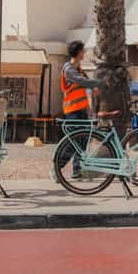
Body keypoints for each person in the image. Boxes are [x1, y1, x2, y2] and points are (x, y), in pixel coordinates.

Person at [53, 40, 106, 181]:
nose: (85, 53)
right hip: (72, 112)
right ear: (78, 52)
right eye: (83, 51)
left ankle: (77, 171)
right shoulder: (69, 70)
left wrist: (94, 89)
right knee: (74, 141)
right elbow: (83, 82)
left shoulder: (79, 69)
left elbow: (87, 83)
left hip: (81, 111)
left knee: (82, 141)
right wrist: (100, 83)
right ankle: (56, 169)